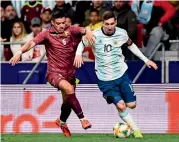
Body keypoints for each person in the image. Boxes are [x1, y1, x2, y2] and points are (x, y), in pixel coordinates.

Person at [9, 8, 95, 137]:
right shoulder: (46, 34)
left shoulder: (71, 29)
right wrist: (20, 52)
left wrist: (88, 31)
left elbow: (85, 30)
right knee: (69, 89)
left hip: (70, 73)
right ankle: (83, 119)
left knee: (68, 102)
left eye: (63, 22)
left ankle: (61, 122)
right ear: (53, 23)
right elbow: (31, 42)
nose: (62, 25)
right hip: (54, 73)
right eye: (58, 23)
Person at [73, 11, 158, 138]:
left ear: (116, 23)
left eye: (112, 23)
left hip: (122, 74)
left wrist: (146, 60)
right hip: (105, 79)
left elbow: (131, 45)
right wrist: (78, 54)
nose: (109, 26)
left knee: (132, 105)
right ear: (102, 23)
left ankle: (123, 111)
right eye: (106, 24)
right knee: (121, 105)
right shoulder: (95, 35)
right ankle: (136, 130)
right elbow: (81, 43)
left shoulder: (122, 33)